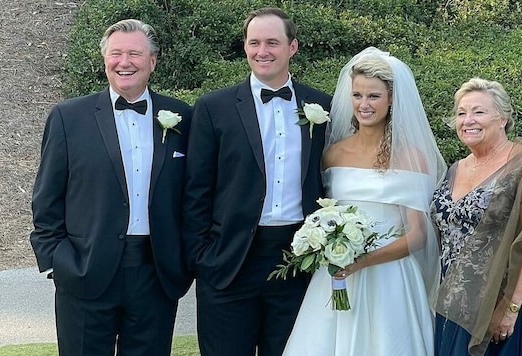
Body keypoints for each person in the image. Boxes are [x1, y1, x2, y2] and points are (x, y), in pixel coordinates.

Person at [29, 19, 193, 355]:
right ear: (105, 59)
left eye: (135, 53)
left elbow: (194, 196)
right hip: (85, 273)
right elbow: (46, 200)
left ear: (153, 61)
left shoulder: (181, 117)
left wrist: (185, 260)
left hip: (155, 275)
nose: (124, 62)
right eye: (116, 53)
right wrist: (57, 261)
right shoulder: (67, 117)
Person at [182, 7, 332, 356]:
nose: (262, 51)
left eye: (272, 42)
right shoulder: (213, 107)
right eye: (254, 42)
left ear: (292, 47)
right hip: (229, 260)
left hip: (298, 258)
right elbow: (195, 190)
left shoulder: (322, 106)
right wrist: (202, 256)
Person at [283, 47, 447, 356]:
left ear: (392, 99)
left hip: (390, 278)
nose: (363, 104)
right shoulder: (333, 154)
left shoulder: (411, 157)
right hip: (335, 275)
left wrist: (362, 262)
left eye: (373, 96)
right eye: (357, 95)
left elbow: (417, 235)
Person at [431, 77, 522, 355]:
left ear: (502, 118)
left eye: (478, 112)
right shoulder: (455, 169)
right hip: (455, 301)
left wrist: (511, 308)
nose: (467, 120)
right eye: (461, 113)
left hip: (503, 300)